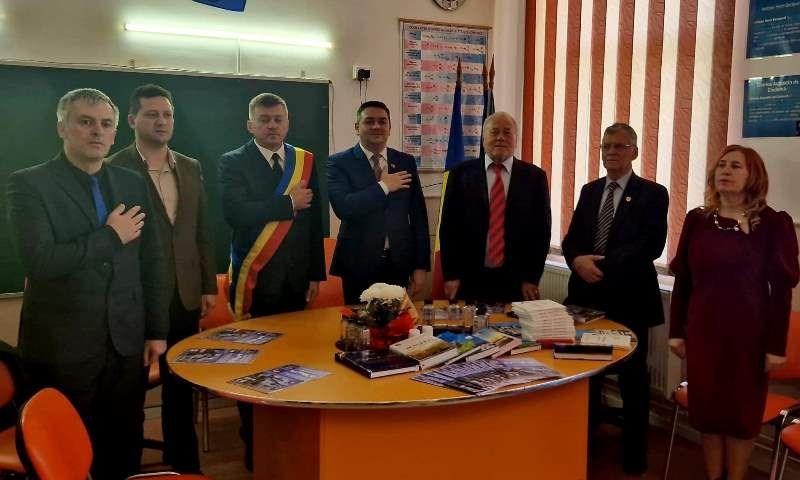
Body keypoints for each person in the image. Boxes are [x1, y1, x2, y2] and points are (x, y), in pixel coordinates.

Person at [6, 88, 168, 479]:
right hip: (62, 347)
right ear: (62, 128)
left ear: (115, 133)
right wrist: (111, 236)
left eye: (106, 124)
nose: (97, 131)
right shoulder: (28, 184)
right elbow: (41, 261)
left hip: (125, 342)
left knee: (123, 443)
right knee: (68, 455)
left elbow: (152, 258)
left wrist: (156, 330)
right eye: (85, 122)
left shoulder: (132, 182)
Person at [668, 145, 799, 480]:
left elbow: (781, 291)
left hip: (749, 340)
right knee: (708, 415)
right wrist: (677, 331)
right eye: (722, 165)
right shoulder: (697, 220)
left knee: (741, 418)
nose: (725, 171)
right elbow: (684, 281)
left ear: (754, 176)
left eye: (736, 166)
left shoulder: (773, 223)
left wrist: (775, 346)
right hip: (704, 335)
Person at [108, 83, 216, 474]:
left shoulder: (189, 166)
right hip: (135, 298)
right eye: (152, 114)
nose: (162, 121)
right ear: (132, 119)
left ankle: (184, 467)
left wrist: (208, 284)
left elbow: (201, 229)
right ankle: (128, 469)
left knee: (180, 388)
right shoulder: (113, 167)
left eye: (167, 114)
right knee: (130, 396)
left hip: (184, 295)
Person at [218, 92, 325, 470]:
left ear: (287, 122)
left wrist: (316, 273)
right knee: (254, 369)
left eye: (278, 119)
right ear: (251, 125)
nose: (272, 126)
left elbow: (314, 222)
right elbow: (235, 213)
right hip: (256, 281)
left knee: (294, 365)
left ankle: (291, 442)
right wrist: (287, 203)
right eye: (264, 120)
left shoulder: (305, 160)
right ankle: (255, 448)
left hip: (296, 281)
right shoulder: (233, 162)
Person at [562, 122, 668, 475]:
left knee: (632, 380)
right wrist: (576, 260)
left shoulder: (653, 193)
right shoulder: (590, 190)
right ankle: (586, 443)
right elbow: (572, 239)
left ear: (634, 151)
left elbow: (651, 245)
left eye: (619, 146)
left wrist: (599, 266)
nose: (611, 152)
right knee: (586, 374)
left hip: (630, 300)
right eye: (606, 145)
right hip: (586, 299)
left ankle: (634, 455)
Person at [439, 111, 550, 304]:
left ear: (516, 139)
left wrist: (531, 278)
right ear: (483, 138)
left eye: (507, 132)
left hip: (516, 281)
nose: (500, 137)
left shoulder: (535, 177)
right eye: (494, 132)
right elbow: (449, 228)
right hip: (468, 277)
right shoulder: (460, 174)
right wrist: (451, 275)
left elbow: (541, 232)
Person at [327, 100, 430, 304]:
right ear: (357, 127)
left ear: (390, 127)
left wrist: (420, 265)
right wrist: (384, 186)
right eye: (369, 121)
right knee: (359, 322)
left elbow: (418, 217)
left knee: (398, 321)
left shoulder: (405, 161)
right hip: (357, 265)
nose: (376, 126)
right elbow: (344, 207)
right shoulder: (338, 162)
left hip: (399, 263)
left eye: (382, 121)